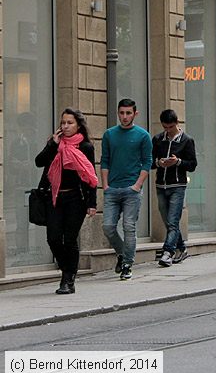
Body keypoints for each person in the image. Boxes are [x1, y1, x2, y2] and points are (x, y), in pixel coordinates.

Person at [35, 108, 97, 294]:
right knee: (53, 238)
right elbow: (39, 162)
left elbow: (91, 176)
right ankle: (67, 270)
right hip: (54, 197)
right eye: (63, 123)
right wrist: (52, 145)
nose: (65, 126)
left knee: (70, 239)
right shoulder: (55, 144)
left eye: (70, 123)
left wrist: (92, 203)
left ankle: (68, 280)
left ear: (78, 125)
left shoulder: (85, 147)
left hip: (75, 198)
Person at [101, 99, 152, 281]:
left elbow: (147, 162)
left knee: (129, 227)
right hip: (112, 188)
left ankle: (127, 264)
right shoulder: (109, 134)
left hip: (132, 189)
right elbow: (105, 160)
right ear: (118, 113)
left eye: (128, 113)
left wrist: (137, 185)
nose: (124, 116)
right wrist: (105, 185)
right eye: (122, 113)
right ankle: (122, 254)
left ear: (135, 114)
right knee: (108, 227)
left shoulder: (143, 136)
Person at [151, 109, 197, 267]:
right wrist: (159, 163)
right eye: (165, 127)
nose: (168, 130)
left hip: (178, 185)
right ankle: (182, 248)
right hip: (161, 185)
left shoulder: (186, 140)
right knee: (168, 221)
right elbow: (150, 161)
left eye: (170, 127)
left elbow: (192, 165)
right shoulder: (158, 139)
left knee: (172, 221)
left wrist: (177, 162)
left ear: (177, 123)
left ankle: (167, 252)